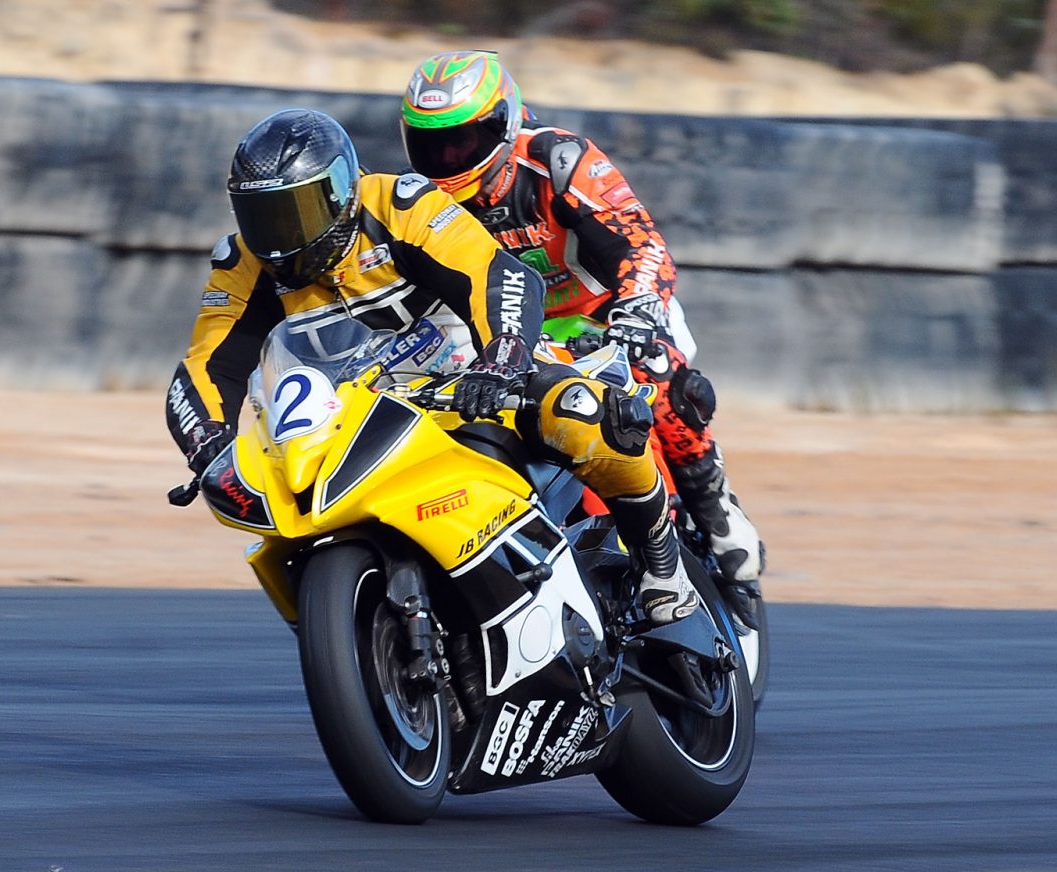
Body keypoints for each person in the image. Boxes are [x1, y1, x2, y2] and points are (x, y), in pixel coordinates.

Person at [166, 108, 699, 624]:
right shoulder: (244, 263)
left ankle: (663, 566)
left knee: (579, 410)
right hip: (355, 419)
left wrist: (503, 358)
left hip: (471, 381)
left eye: (294, 212)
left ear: (339, 191)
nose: (280, 236)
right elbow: (207, 366)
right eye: (262, 217)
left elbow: (493, 273)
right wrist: (207, 448)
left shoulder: (398, 204)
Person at [399, 51, 763, 586]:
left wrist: (637, 308)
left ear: (504, 125)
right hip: (503, 342)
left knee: (660, 371)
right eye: (433, 144)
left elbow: (639, 240)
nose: (450, 157)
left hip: (602, 320)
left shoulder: (558, 159)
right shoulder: (415, 200)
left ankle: (711, 501)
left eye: (464, 141)